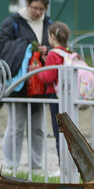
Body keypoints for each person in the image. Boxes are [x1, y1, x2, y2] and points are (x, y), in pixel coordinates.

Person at [0, 0, 52, 175]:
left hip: (40, 84)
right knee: (16, 126)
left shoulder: (49, 24)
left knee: (38, 128)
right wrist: (28, 48)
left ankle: (36, 167)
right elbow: (2, 48)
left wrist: (48, 49)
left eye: (41, 10)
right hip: (18, 84)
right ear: (27, 4)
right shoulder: (12, 23)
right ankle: (11, 166)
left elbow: (57, 45)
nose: (38, 13)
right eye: (35, 8)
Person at [37, 22, 71, 162]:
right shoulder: (68, 52)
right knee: (69, 133)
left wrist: (39, 71)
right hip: (67, 96)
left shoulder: (52, 54)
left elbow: (49, 77)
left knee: (59, 132)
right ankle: (69, 164)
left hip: (55, 96)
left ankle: (61, 164)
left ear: (52, 36)